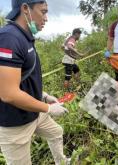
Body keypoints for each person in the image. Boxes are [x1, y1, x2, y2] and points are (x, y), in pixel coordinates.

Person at [0, 0, 69, 164]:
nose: (46, 18)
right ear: (25, 9)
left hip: (34, 113)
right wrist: (48, 108)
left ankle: (62, 161)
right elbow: (9, 93)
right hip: (15, 123)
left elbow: (24, 76)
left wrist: (44, 96)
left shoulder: (25, 37)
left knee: (56, 132)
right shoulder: (9, 38)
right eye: (43, 12)